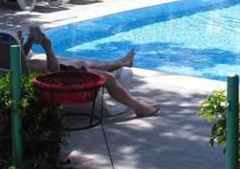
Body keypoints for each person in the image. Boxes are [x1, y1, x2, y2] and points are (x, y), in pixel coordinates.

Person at [22, 25, 160, 117]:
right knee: (108, 78)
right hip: (59, 79)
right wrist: (48, 48)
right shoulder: (23, 69)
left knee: (82, 64)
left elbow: (19, 60)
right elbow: (54, 74)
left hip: (62, 72)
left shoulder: (11, 63)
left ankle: (123, 62)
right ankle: (139, 107)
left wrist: (28, 42)